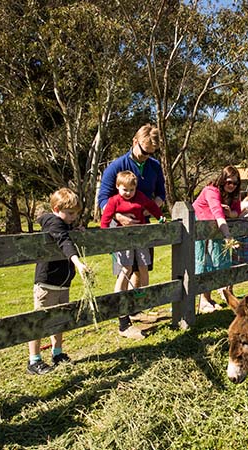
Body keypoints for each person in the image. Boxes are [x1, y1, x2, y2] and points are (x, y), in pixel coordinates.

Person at [97, 123, 165, 338]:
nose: (147, 156)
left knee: (141, 269)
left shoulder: (154, 166)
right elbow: (103, 200)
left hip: (144, 228)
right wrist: (118, 217)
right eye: (144, 151)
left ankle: (134, 309)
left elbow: (161, 193)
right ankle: (123, 322)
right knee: (125, 271)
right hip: (121, 229)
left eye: (151, 153)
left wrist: (156, 204)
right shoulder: (117, 166)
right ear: (135, 142)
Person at [27, 188, 88, 375]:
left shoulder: (62, 223)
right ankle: (34, 360)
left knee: (59, 320)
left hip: (62, 284)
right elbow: (63, 241)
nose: (73, 217)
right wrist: (77, 262)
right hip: (47, 284)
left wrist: (75, 230)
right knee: (40, 320)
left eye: (75, 214)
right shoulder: (53, 222)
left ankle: (57, 353)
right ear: (56, 208)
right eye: (70, 214)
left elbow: (66, 233)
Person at [193, 165, 241, 313]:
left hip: (217, 228)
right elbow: (217, 213)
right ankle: (204, 300)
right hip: (202, 226)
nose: (232, 186)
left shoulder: (234, 194)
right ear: (222, 180)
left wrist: (230, 212)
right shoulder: (211, 191)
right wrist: (228, 236)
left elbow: (237, 212)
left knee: (219, 260)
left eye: (235, 183)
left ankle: (214, 297)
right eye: (229, 182)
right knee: (205, 260)